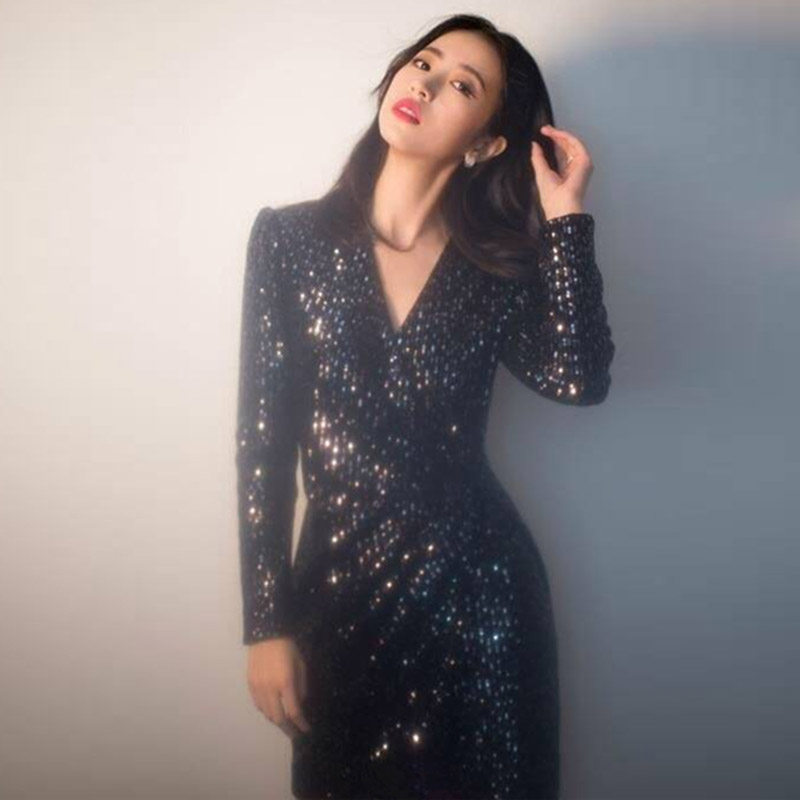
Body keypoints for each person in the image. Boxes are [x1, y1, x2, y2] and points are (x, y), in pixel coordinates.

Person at [235, 13, 615, 800]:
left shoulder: (493, 268)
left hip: (482, 602)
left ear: (486, 141)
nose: (427, 84)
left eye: (462, 86)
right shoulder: (290, 240)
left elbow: (578, 380)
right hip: (337, 601)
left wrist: (566, 222)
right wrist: (266, 621)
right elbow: (262, 447)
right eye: (424, 63)